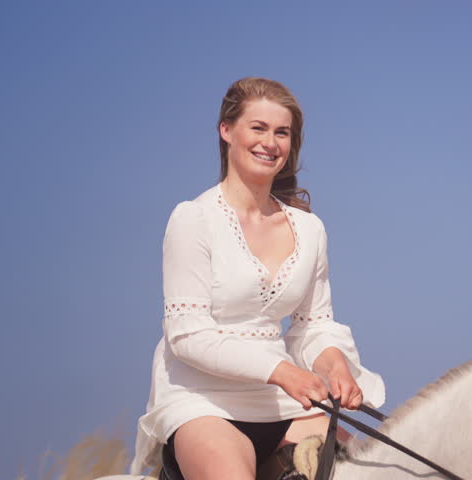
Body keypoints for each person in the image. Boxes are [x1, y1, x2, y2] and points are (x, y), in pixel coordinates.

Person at [130, 77, 385, 480]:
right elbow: (187, 336)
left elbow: (313, 326)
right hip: (203, 401)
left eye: (282, 132)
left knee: (374, 470)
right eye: (259, 128)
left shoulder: (310, 229)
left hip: (283, 403)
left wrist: (335, 366)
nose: (271, 142)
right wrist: (284, 372)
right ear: (226, 131)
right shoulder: (192, 220)